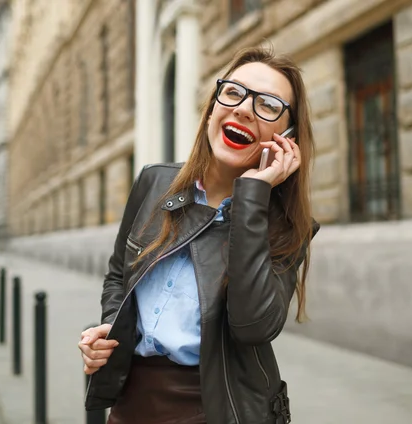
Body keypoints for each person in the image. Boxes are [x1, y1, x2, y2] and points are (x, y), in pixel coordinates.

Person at [79, 46, 320, 424]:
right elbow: (118, 276)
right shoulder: (154, 181)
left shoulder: (286, 229)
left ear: (287, 135)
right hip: (129, 405)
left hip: (219, 408)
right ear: (212, 107)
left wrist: (252, 197)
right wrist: (111, 327)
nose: (243, 109)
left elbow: (253, 326)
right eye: (234, 92)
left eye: (268, 105)